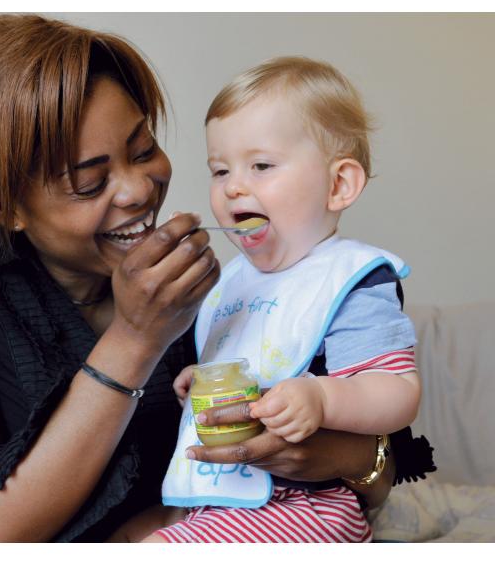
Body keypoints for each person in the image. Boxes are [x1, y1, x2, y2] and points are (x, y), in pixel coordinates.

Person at [0, 15, 434, 543]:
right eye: (90, 183)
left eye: (143, 150)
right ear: (8, 205)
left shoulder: (224, 285)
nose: (139, 190)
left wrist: (325, 455)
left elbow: (383, 465)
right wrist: (138, 338)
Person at [144, 57, 423, 543]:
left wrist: (322, 397)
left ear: (338, 185)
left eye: (261, 166)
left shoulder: (349, 279)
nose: (233, 186)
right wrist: (206, 379)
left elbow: (398, 391)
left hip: (308, 506)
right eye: (219, 169)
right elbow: (249, 365)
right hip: (224, 502)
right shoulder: (233, 282)